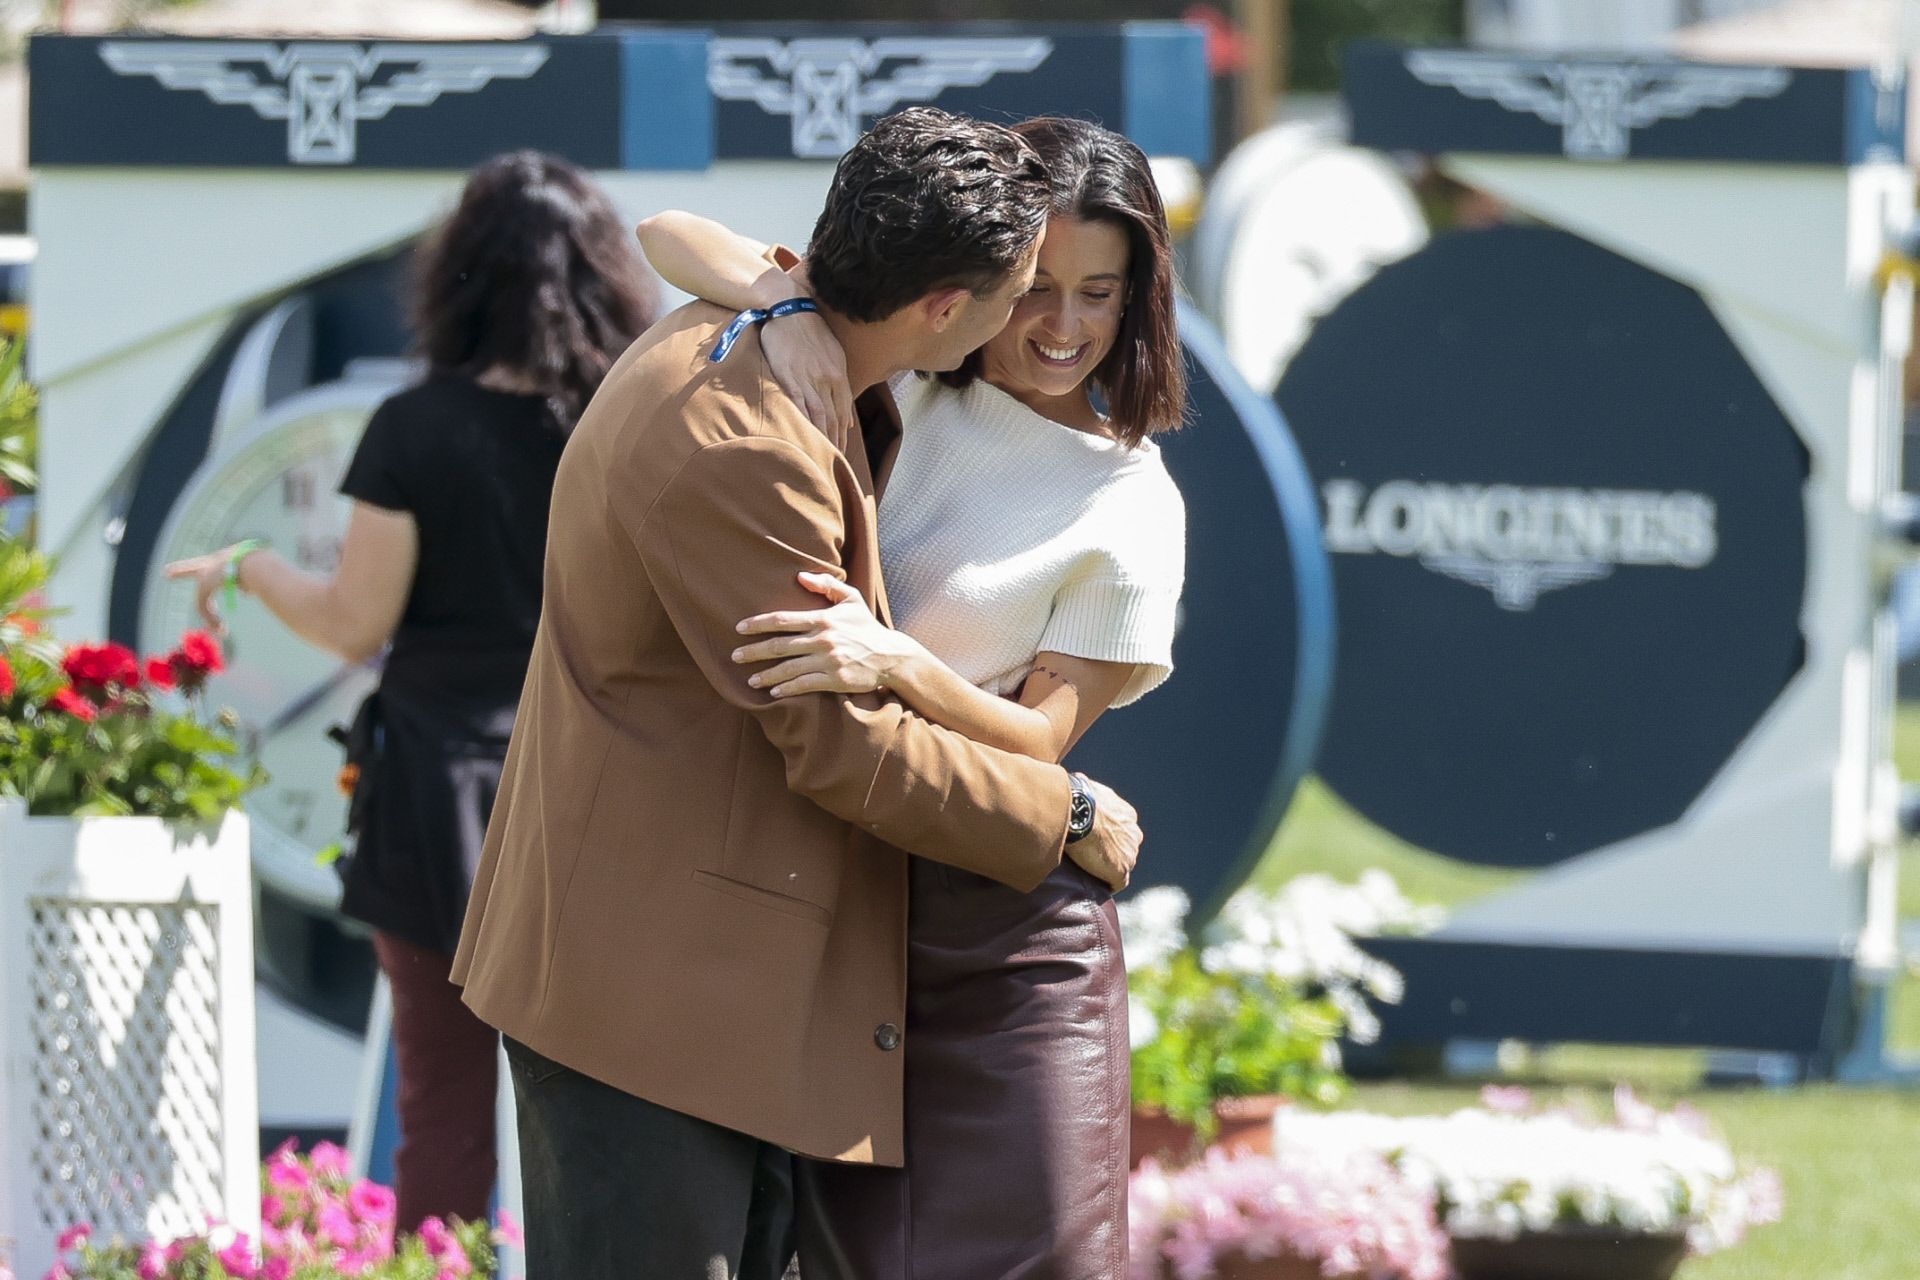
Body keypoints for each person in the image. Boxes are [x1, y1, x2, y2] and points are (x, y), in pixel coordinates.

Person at [448, 107, 1144, 1280]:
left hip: (688, 987)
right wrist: (1063, 817)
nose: (1039, 318)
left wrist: (777, 296)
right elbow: (846, 747)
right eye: (1020, 290)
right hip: (648, 994)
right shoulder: (749, 440)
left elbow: (691, 245)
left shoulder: (757, 341)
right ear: (941, 308)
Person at [638, 114, 1187, 1278]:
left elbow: (1041, 740)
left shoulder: (1132, 500)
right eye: (1039, 286)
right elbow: (664, 232)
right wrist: (786, 307)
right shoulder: (896, 372)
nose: (1065, 327)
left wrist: (896, 662)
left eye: (1102, 294)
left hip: (1008, 946)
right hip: (846, 927)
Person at [164, 150, 660, 1231]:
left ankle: (437, 1264)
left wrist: (250, 561)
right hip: (601, 784)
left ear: (459, 275)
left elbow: (353, 620)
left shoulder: (415, 427)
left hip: (439, 791)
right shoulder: (631, 422)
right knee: (609, 1093)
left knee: (442, 1095)